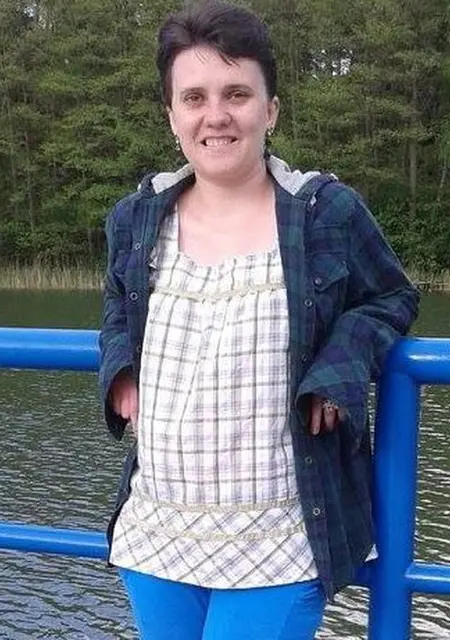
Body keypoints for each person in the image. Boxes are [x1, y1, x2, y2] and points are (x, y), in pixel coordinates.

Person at [98, 1, 420, 638]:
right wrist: (121, 370)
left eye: (237, 94)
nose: (215, 114)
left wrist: (338, 367)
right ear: (172, 116)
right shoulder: (135, 219)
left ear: (269, 110)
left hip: (279, 533)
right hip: (158, 528)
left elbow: (392, 297)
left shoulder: (325, 213)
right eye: (194, 97)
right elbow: (116, 303)